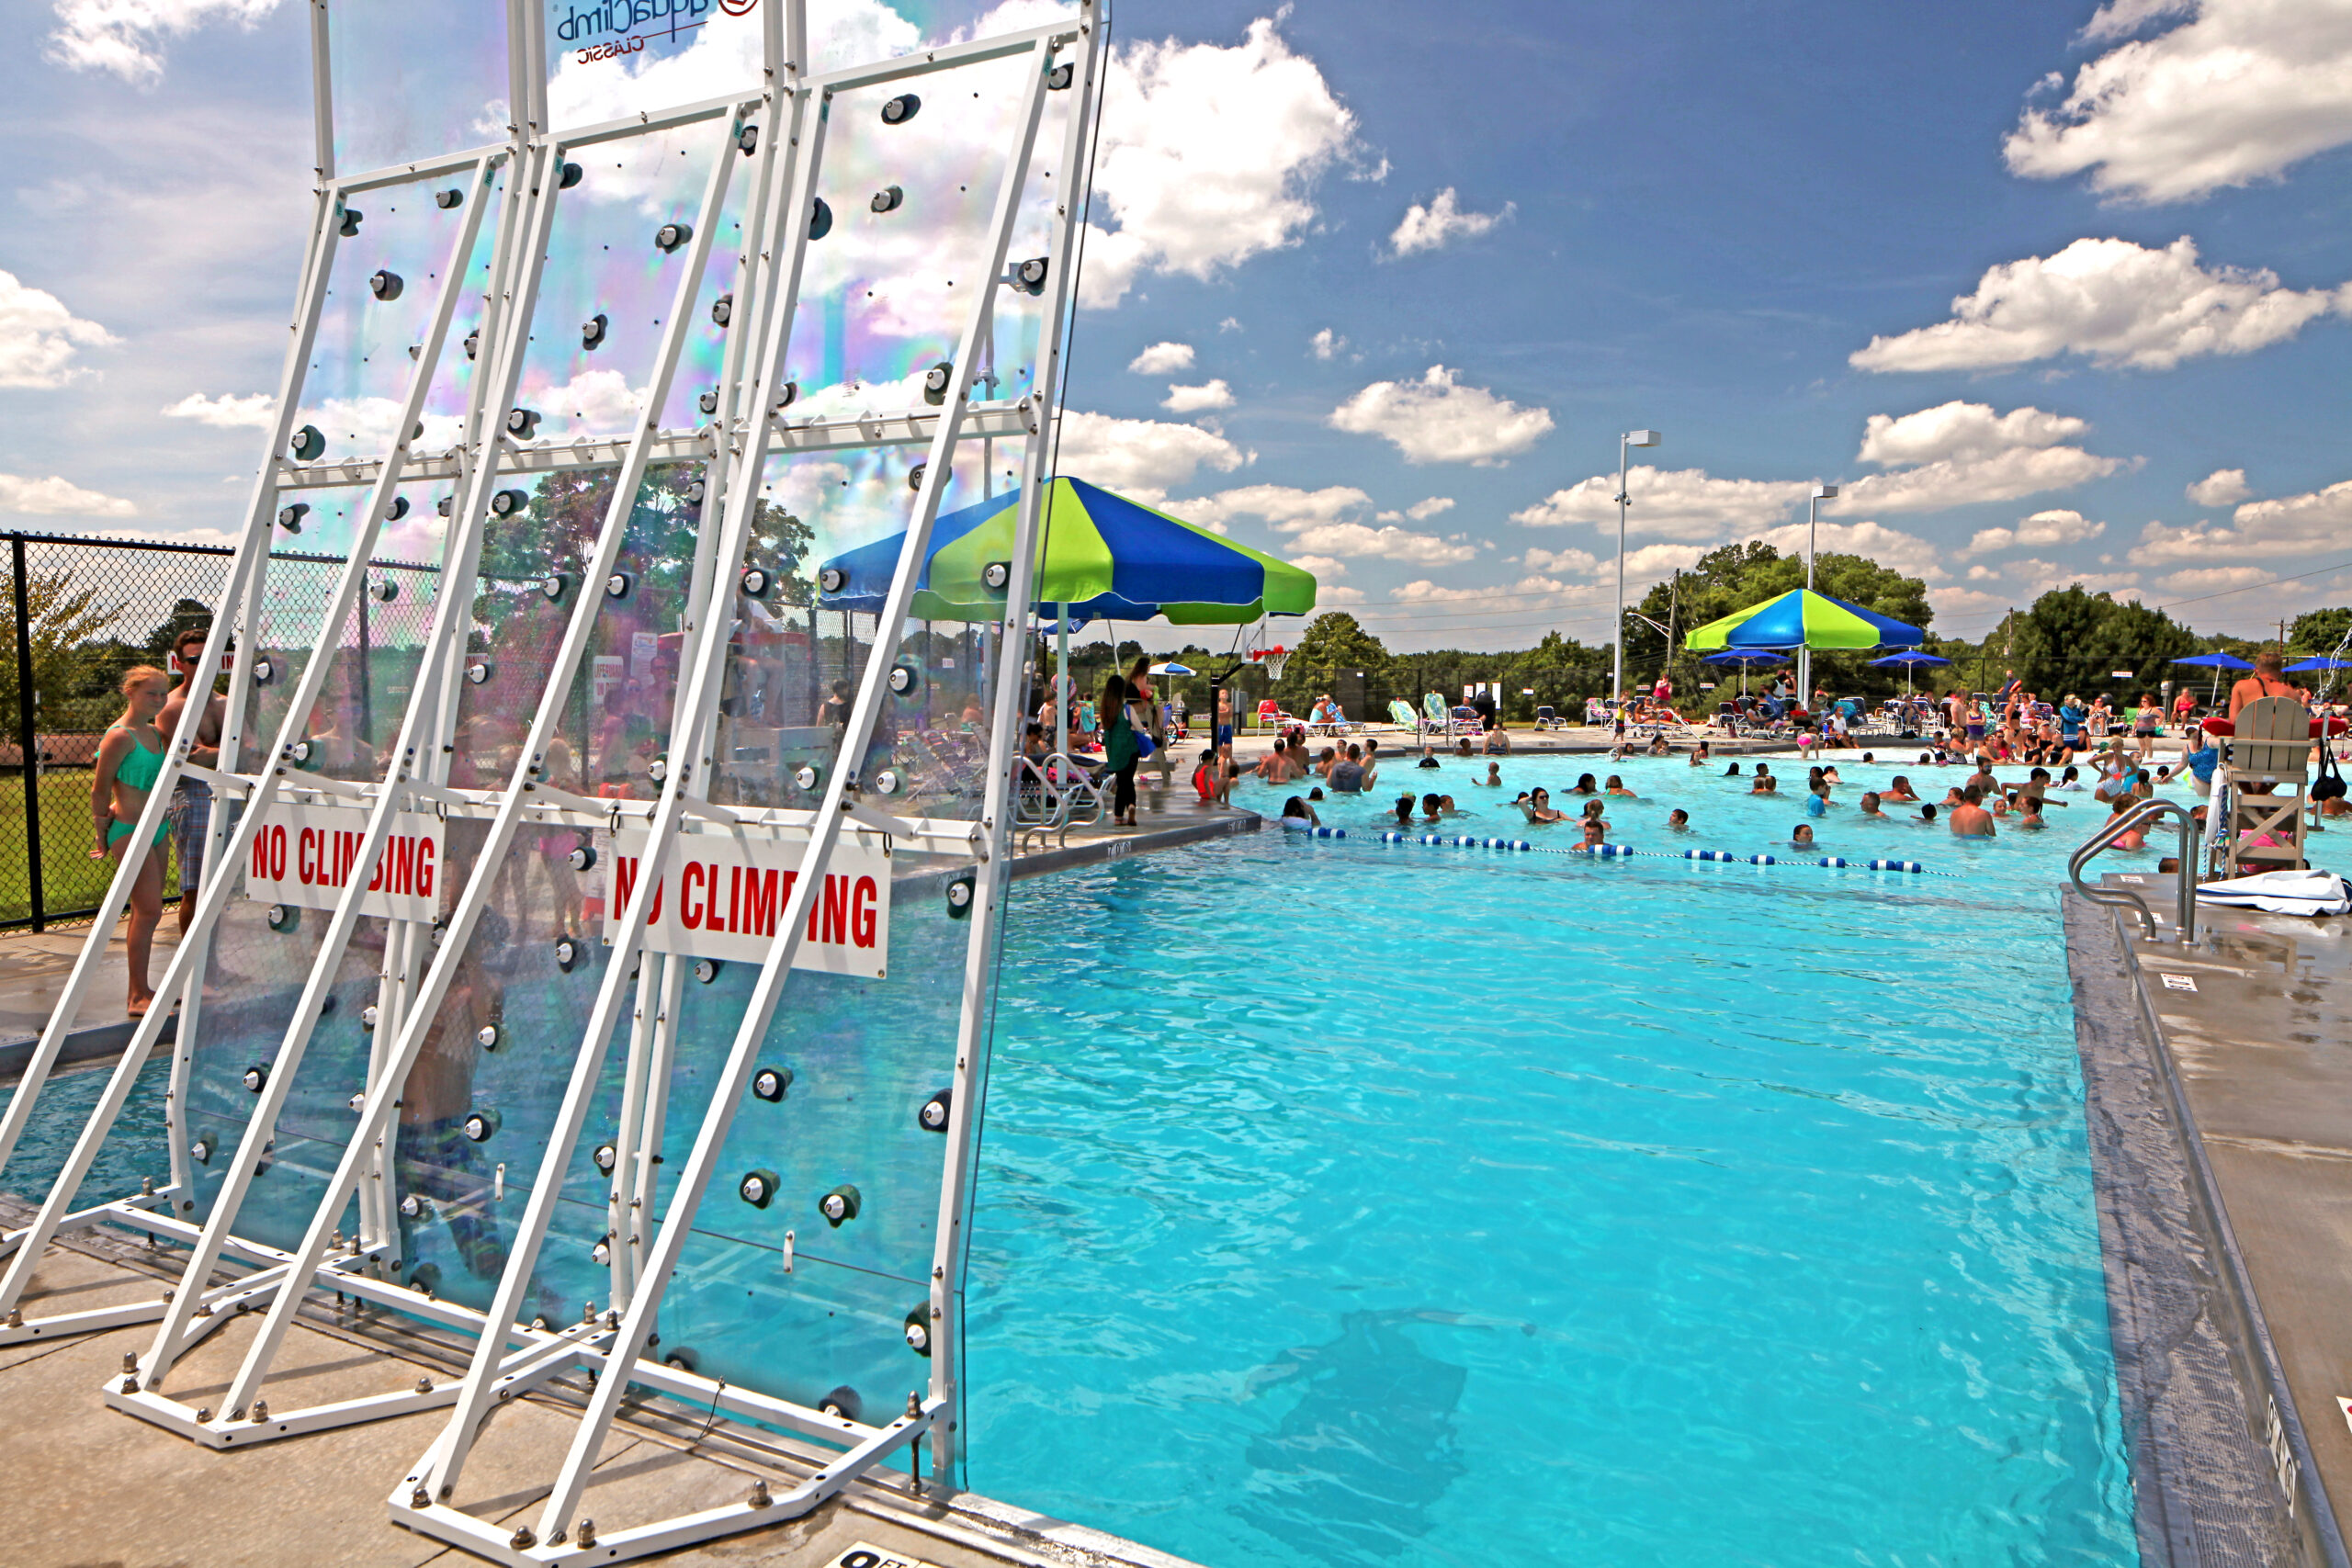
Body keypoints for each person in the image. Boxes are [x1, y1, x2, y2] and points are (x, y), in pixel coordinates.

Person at [91, 666, 173, 1018]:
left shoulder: (156, 733)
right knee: (150, 911)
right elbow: (100, 787)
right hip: (128, 830)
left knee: (148, 911)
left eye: (162, 694)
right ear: (130, 692)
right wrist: (101, 832)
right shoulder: (119, 736)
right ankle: (136, 995)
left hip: (157, 828)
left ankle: (143, 988)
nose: (158, 700)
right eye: (151, 693)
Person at [158, 626, 226, 937]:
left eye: (208, 658)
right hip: (192, 795)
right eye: (194, 659)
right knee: (195, 887)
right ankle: (192, 965)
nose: (202, 665)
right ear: (180, 663)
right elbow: (194, 758)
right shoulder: (171, 707)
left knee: (225, 888)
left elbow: (253, 748)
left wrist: (216, 752)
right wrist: (230, 750)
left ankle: (212, 967)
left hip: (229, 790)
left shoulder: (227, 702)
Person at [1099, 672, 1144, 828]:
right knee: (1128, 781)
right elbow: (1140, 729)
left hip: (1114, 752)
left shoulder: (1105, 712)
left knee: (1122, 781)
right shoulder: (1127, 709)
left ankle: (1119, 817)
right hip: (1130, 750)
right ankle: (1131, 805)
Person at [2229, 648, 2306, 720]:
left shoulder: (2241, 686)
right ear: (2280, 674)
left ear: (2255, 671)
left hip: (2249, 734)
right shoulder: (2294, 695)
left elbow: (2233, 720)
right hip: (2282, 734)